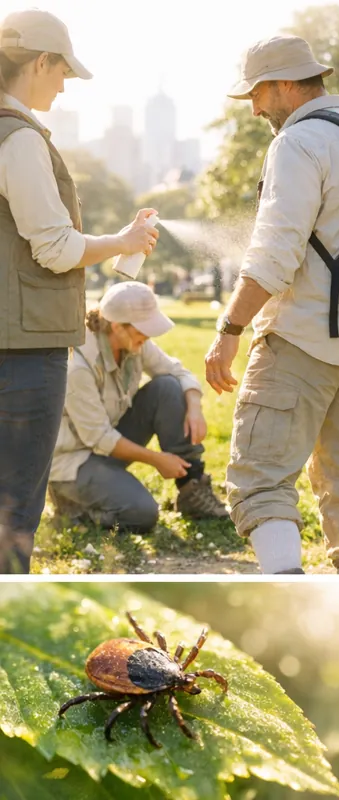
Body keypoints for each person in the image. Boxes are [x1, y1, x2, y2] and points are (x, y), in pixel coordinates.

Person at [204, 35, 339, 575]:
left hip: (300, 336)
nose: (255, 109)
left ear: (284, 83)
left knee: (258, 479)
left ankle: (288, 589)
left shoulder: (298, 142)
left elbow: (274, 254)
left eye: (257, 94)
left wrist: (230, 328)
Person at [0, 9, 159, 573]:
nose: (64, 86)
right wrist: (124, 241)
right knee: (15, 511)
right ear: (40, 61)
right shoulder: (19, 139)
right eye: (63, 72)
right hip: (25, 350)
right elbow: (54, 247)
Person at [48, 281, 229, 534]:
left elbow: (177, 372)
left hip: (108, 443)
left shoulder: (134, 341)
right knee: (141, 514)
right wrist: (157, 460)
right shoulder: (77, 365)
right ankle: (72, 507)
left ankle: (192, 489)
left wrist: (195, 406)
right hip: (73, 462)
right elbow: (98, 437)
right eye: (143, 330)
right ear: (117, 326)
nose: (149, 337)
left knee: (167, 387)